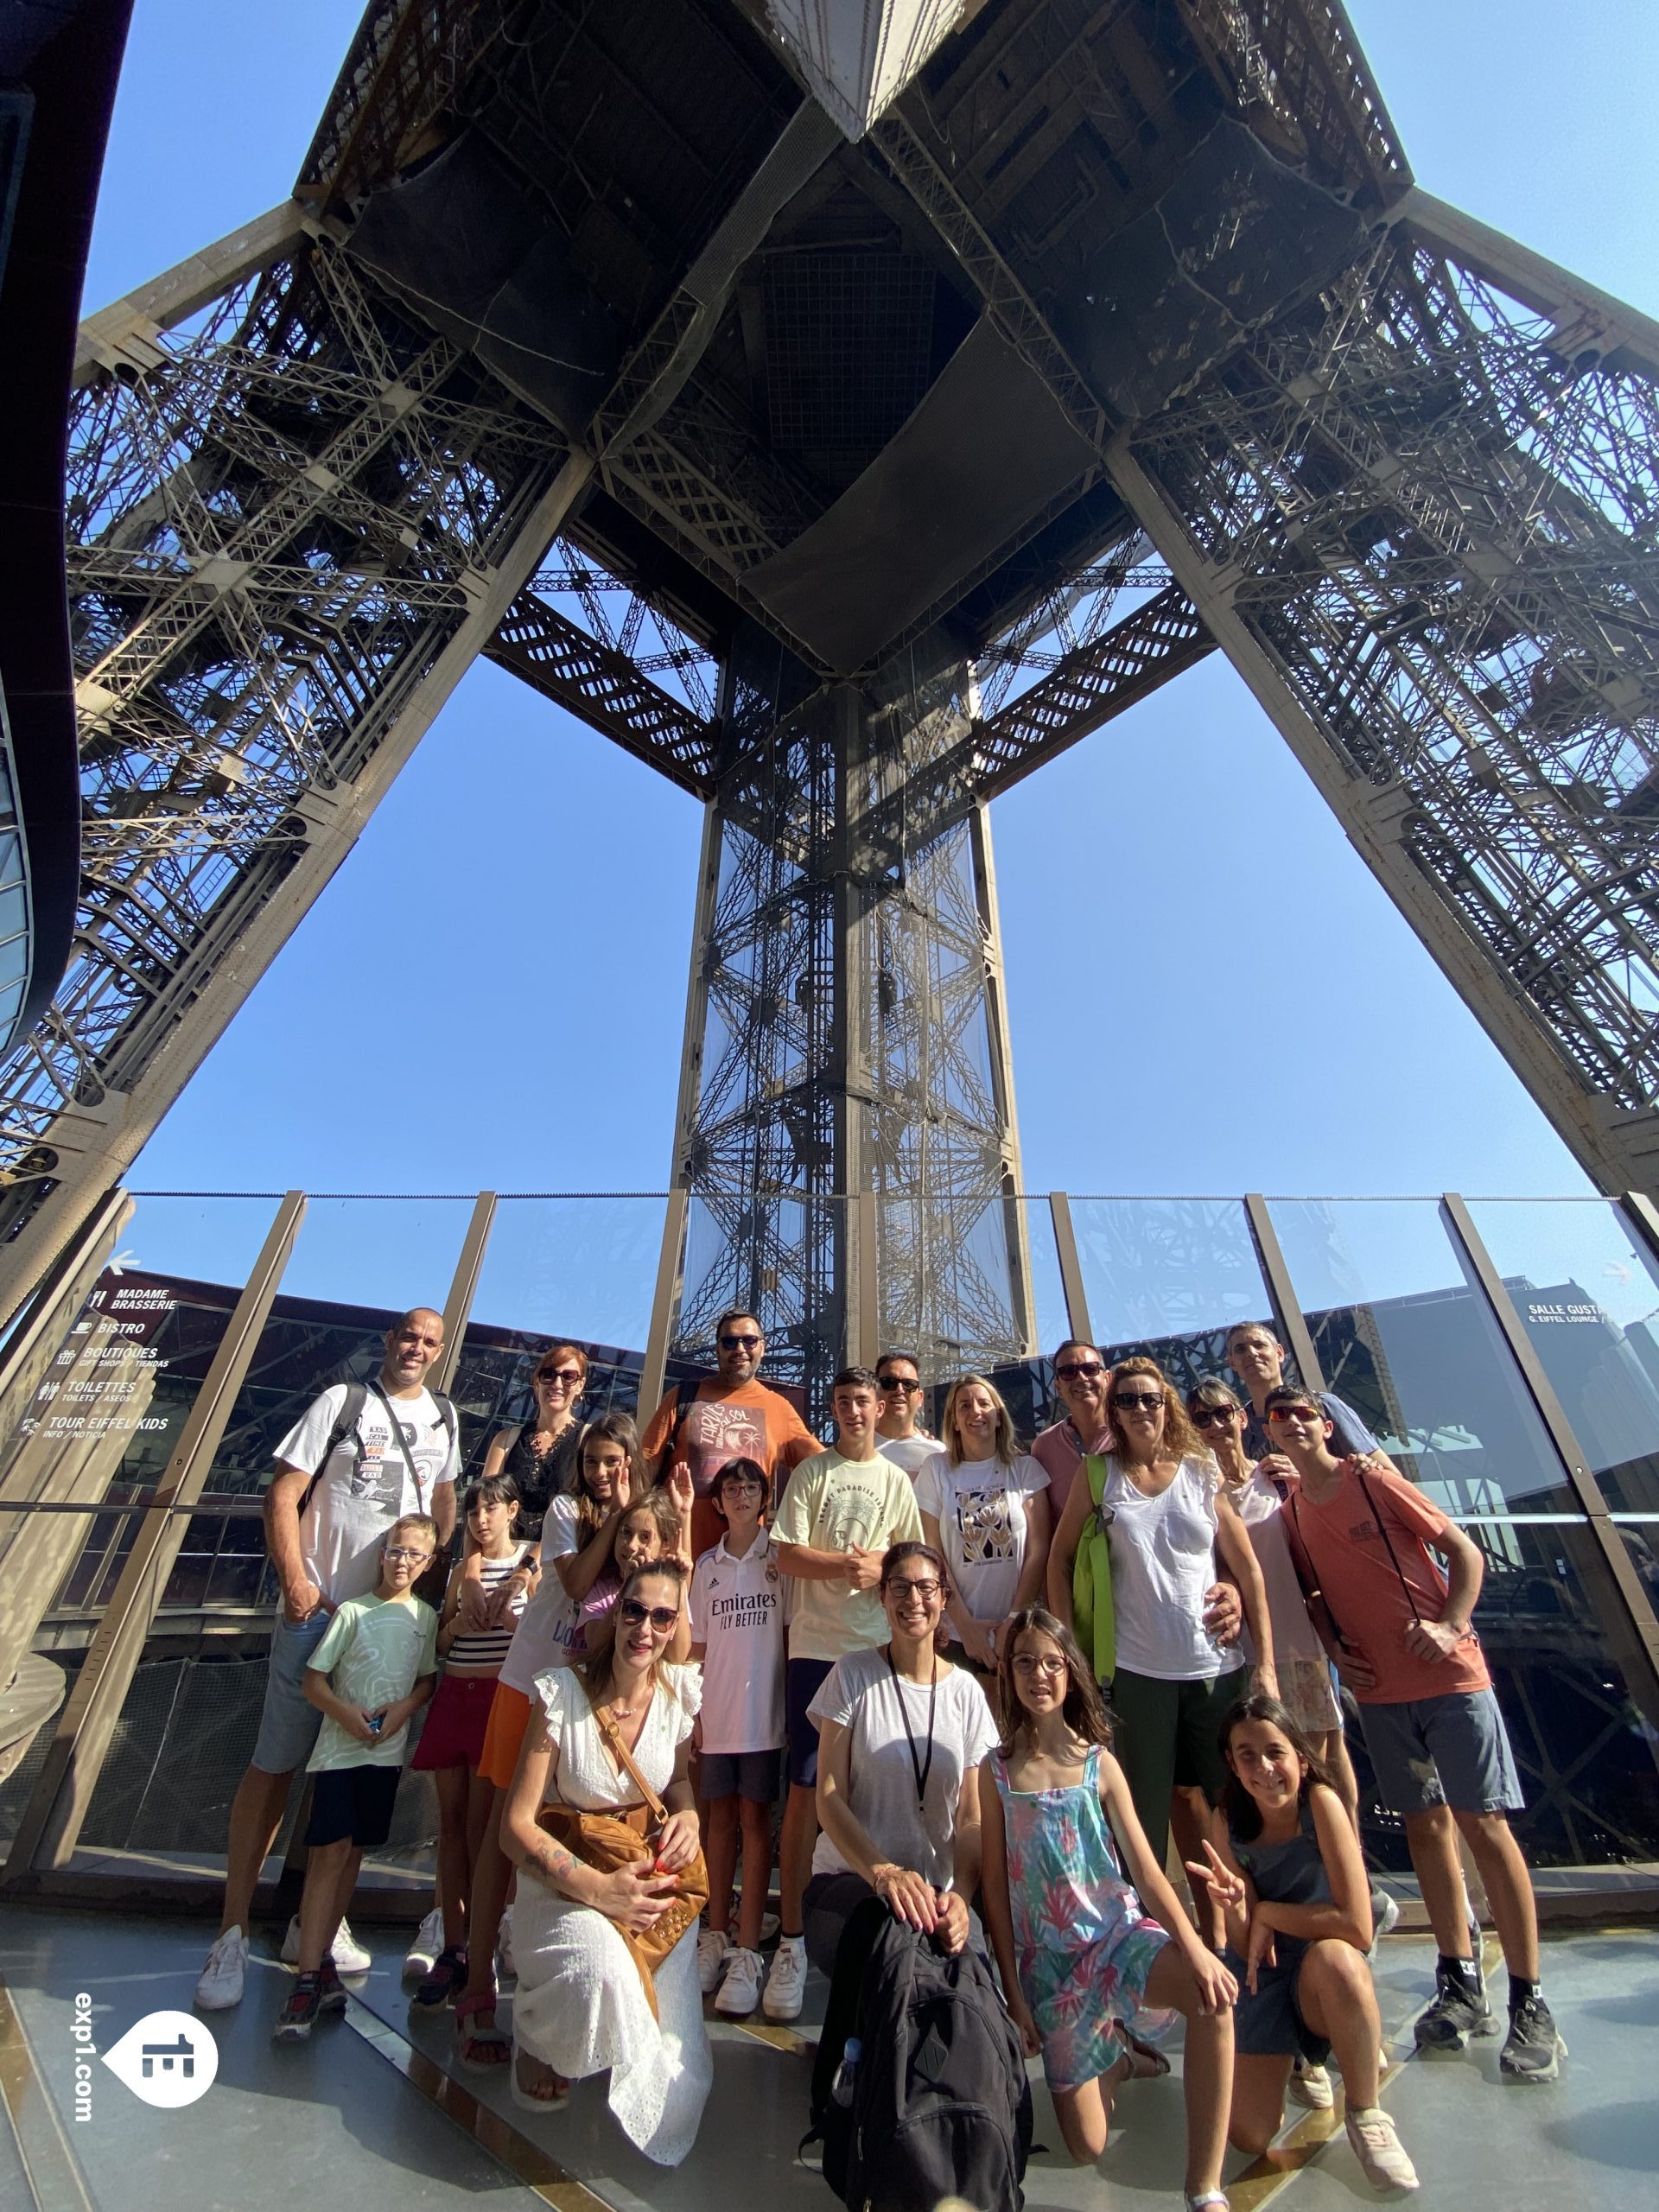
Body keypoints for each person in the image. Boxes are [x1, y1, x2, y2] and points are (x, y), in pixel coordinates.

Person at [1263, 1385, 1566, 2081]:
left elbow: (1465, 1552)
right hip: (1382, 1693)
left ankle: (1530, 1998)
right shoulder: (1295, 1512)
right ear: (1270, 1433)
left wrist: (1452, 1626)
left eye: (1305, 1414)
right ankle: (1459, 1977)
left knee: (1484, 1826)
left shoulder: (1375, 1483)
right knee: (1426, 1830)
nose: (1294, 1424)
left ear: (1326, 1425)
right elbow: (1315, 1593)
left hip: (1451, 1681)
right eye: (1280, 1418)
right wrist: (1338, 1652)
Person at [195, 1308, 460, 2011]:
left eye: (430, 1341)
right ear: (389, 1340)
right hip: (318, 1613)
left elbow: (443, 1503)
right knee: (276, 1764)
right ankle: (231, 1931)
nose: (417, 1348)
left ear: (440, 1352)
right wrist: (295, 1582)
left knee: (349, 1771)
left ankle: (314, 1922)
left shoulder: (443, 1420)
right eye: (409, 1336)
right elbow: (284, 1491)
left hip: (382, 1624)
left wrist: (423, 1586)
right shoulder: (342, 1402)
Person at [979, 1606, 1236, 2208]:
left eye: (1052, 1663)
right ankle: (1120, 2057)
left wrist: (1196, 1949)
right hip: (1051, 1969)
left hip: (1117, 1940)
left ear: (1070, 1673)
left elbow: (1147, 1873)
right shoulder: (994, 1773)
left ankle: (1204, 2186)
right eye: (1025, 1662)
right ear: (1009, 1673)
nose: (1039, 1675)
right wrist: (1014, 1993)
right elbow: (994, 1887)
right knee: (1086, 2145)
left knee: (1213, 2001)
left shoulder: (1100, 1764)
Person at [454, 1421, 688, 2082]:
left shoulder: (641, 1527)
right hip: (533, 1682)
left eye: (615, 1461)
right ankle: (477, 1983)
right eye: (592, 1461)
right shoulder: (567, 1512)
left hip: (592, 1699)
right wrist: (619, 1520)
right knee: (504, 1831)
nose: (602, 1472)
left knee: (579, 1826)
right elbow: (583, 1587)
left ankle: (556, 1971)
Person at [500, 1560, 710, 2164]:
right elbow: (515, 1827)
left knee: (675, 2090)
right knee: (601, 1978)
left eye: (663, 1617)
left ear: (674, 1626)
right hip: (566, 1886)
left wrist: (690, 1817)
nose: (646, 1629)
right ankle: (537, 2033)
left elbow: (677, 1785)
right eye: (635, 1611)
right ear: (616, 1615)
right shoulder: (560, 1694)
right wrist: (597, 1890)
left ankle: (591, 2043)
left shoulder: (676, 1699)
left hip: (644, 1888)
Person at [1046, 1355, 1275, 1869]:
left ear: (1166, 1405)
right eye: (1127, 1400)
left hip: (1216, 1668)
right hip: (1137, 1674)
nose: (1140, 1409)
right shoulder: (1098, 1475)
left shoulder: (1201, 1470)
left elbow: (1247, 1568)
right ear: (1114, 1411)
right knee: (1141, 1824)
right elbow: (1059, 1561)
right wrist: (1071, 1651)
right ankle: (1148, 1920)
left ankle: (1245, 1917)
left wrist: (1265, 1665)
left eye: (1150, 1398)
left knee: (1239, 1812)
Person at [1189, 1695, 1420, 2190]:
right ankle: (1305, 2055)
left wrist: (1269, 1912)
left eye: (1275, 1752)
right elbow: (1246, 1944)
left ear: (1300, 1757)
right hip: (1269, 1969)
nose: (1264, 1768)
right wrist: (1237, 1909)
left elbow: (1356, 1926)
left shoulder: (1321, 1804)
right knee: (1249, 2134)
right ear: (1231, 1763)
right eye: (1247, 1755)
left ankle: (1366, 2113)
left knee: (1340, 1964)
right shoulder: (1228, 1821)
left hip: (1324, 1953)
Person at [770, 1366, 925, 2020]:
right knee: (807, 1789)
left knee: (873, 1785)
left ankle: (876, 1927)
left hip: (873, 1649)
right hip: (815, 1648)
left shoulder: (895, 1481)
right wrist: (848, 1565)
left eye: (863, 1400)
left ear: (879, 1407)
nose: (854, 1411)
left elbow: (910, 1558)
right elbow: (785, 1554)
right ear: (833, 1409)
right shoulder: (813, 1474)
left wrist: (881, 1568)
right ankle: (792, 1938)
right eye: (843, 1401)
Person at [274, 1514, 441, 2041]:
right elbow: (314, 1681)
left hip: (383, 1756)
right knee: (329, 1852)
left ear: (428, 1562)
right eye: (395, 1550)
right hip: (339, 1755)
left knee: (351, 1854)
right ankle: (306, 1974)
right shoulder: (352, 1612)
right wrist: (346, 1715)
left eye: (414, 1554)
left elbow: (426, 1680)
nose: (402, 1561)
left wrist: (403, 1711)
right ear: (382, 1554)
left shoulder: (425, 1618)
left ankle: (321, 1960)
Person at [804, 1542, 995, 1979]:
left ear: (944, 1598)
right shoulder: (851, 1675)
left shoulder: (966, 1694)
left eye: (926, 1587)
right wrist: (883, 1873)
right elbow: (829, 1797)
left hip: (936, 1895)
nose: (914, 1600)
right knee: (898, 1951)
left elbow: (971, 1817)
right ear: (882, 1597)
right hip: (851, 1882)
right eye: (900, 1587)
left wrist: (962, 1897)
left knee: (972, 1977)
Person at [408, 1475, 534, 2009]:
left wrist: (510, 1615)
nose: (481, 1520)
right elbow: (441, 1640)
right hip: (457, 1694)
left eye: (490, 1510)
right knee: (452, 1826)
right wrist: (457, 1625)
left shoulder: (530, 1563)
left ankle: (482, 1944)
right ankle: (454, 1943)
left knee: (484, 1828)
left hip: (497, 1700)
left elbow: (536, 1635)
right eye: (474, 1512)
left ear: (512, 1511)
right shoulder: (464, 1570)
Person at [689, 1457, 787, 2017]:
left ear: (764, 1499)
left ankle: (748, 1948)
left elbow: (790, 1634)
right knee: (718, 1823)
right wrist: (695, 1713)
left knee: (755, 1823)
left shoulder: (780, 1559)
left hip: (763, 1719)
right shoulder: (707, 1567)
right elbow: (697, 1648)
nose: (742, 1496)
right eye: (732, 1488)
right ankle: (715, 1933)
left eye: (752, 1487)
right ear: (719, 1502)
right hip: (719, 1717)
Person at [639, 1309, 820, 1563]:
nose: (740, 1349)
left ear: (762, 1347)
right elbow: (644, 1469)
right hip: (678, 1560)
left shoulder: (779, 1408)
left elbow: (821, 1468)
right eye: (729, 1342)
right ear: (718, 1349)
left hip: (746, 1568)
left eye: (749, 1340)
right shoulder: (683, 1397)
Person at [914, 1374, 1051, 1673]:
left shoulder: (1025, 1469)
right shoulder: (936, 1470)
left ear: (999, 1416)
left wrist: (1013, 1621)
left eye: (984, 1404)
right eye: (964, 1406)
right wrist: (965, 1627)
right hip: (956, 1635)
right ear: (954, 1421)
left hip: (1019, 1633)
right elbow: (932, 1554)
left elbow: (1039, 1550)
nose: (975, 1411)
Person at [1225, 1321, 1389, 1471]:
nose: (1251, 1353)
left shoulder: (1323, 1405)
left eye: (1259, 1345)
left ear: (1279, 1353)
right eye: (1241, 1349)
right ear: (1232, 1363)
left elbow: (1387, 1474)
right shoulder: (1240, 1426)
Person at [1031, 1338, 1113, 1520]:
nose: (1081, 1378)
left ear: (1107, 1379)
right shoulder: (1044, 1447)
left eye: (1090, 1369)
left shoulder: (1129, 1433)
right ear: (1058, 1388)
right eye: (1068, 1372)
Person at [874, 1351, 936, 1477]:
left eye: (909, 1384)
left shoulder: (937, 1454)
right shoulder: (856, 1449)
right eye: (889, 1382)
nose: (899, 1390)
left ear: (920, 1398)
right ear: (874, 1393)